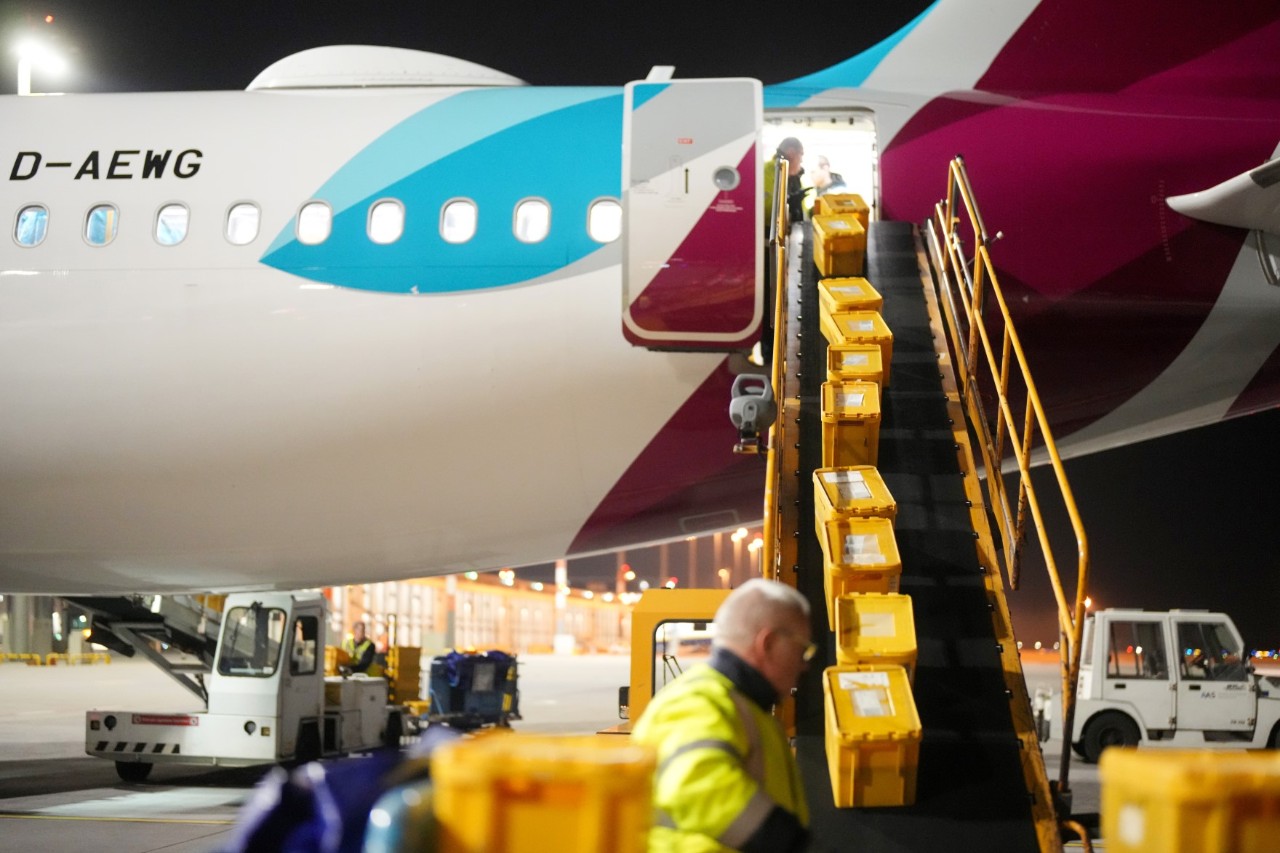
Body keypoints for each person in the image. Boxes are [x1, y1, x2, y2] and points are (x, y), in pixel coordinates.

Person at [631, 579, 815, 852]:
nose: (804, 665)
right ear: (768, 643)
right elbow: (696, 785)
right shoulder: (698, 701)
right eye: (802, 650)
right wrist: (788, 842)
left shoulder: (749, 709)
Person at [763, 137, 814, 226]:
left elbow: (801, 211)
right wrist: (788, 203)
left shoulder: (793, 179)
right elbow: (764, 209)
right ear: (791, 153)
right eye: (801, 154)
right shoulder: (766, 172)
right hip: (768, 232)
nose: (802, 160)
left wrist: (813, 212)